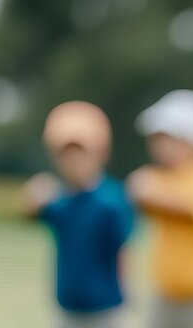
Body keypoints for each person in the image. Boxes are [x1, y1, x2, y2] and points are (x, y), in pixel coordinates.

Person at [20, 101, 135, 328]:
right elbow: (28, 212)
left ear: (101, 154)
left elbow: (125, 250)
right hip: (66, 311)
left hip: (106, 312)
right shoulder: (58, 201)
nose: (73, 162)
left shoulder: (112, 201)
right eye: (66, 155)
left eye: (80, 153)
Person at [127, 90, 193, 328]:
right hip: (163, 295)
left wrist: (149, 190)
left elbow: (187, 207)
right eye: (158, 139)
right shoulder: (158, 178)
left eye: (170, 139)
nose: (161, 146)